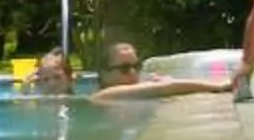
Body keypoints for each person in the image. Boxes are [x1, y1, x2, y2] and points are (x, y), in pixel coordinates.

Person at [88, 42, 222, 104]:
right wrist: (217, 86)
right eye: (125, 68)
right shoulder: (104, 96)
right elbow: (167, 87)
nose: (133, 72)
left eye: (137, 66)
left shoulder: (138, 89)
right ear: (104, 74)